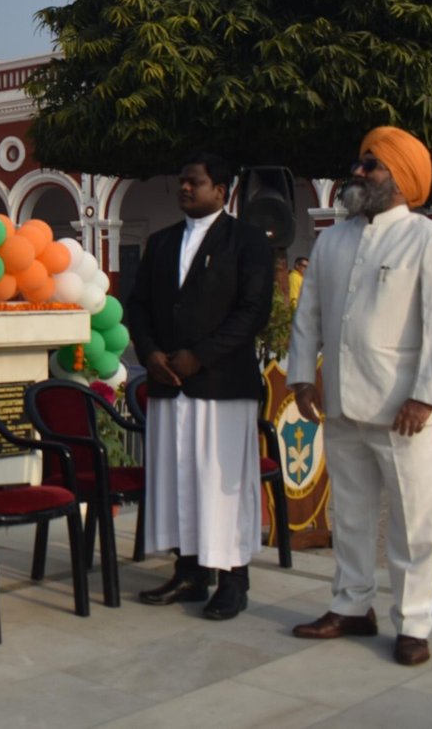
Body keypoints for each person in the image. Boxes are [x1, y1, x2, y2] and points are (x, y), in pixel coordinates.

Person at [286, 126, 432, 667]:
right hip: (343, 402)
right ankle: (351, 605)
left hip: (403, 410)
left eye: (372, 165)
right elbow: (308, 314)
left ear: (402, 179)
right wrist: (301, 376)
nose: (358, 172)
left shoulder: (430, 240)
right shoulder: (332, 241)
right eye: (360, 163)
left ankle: (413, 623)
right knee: (351, 514)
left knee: (415, 522)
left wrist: (426, 396)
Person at [126, 151, 275, 621]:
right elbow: (137, 306)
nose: (185, 188)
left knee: (221, 483)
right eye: (182, 181)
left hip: (221, 383)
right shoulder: (161, 241)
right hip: (168, 382)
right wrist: (150, 353)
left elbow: (253, 311)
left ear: (221, 191)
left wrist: (200, 356)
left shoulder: (247, 240)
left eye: (195, 181)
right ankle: (189, 571)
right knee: (178, 477)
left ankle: (233, 579)